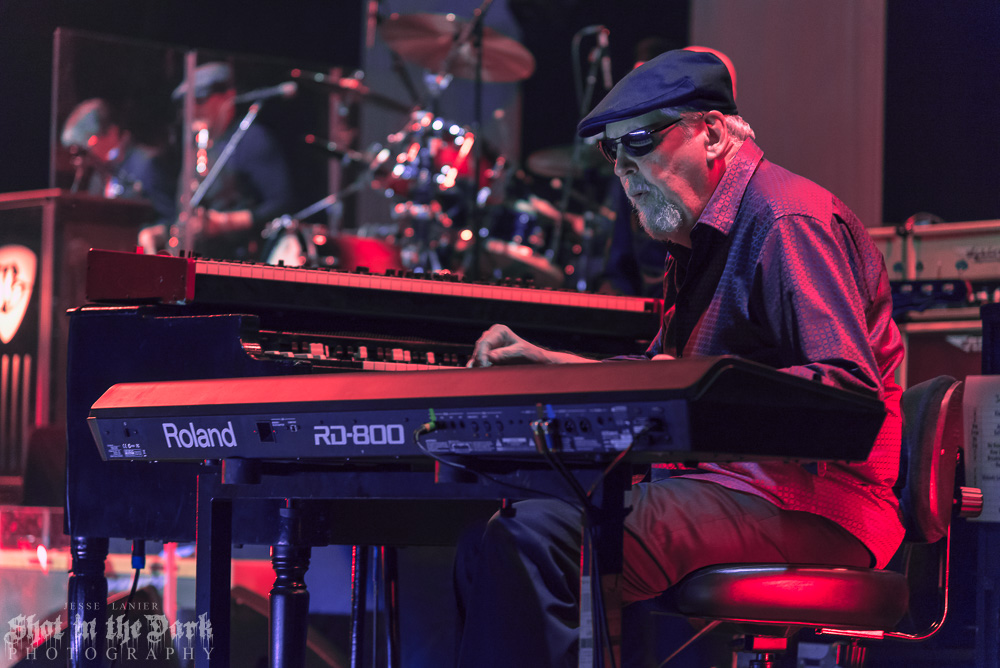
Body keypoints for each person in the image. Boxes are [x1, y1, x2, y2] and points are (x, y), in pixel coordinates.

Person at [455, 49, 904, 667]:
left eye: (639, 141)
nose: (625, 170)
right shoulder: (698, 240)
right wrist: (548, 366)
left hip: (816, 502)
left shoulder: (785, 218)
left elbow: (849, 393)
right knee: (493, 540)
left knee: (540, 538)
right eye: (614, 153)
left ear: (713, 132)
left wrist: (706, 395)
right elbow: (667, 383)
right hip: (735, 489)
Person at [138, 61, 294, 260]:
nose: (193, 108)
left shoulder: (251, 140)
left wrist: (224, 223)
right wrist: (162, 231)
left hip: (239, 262)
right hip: (196, 260)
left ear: (228, 97)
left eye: (200, 99)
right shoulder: (195, 146)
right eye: (188, 102)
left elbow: (281, 204)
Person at [61, 97, 176, 225]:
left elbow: (172, 218)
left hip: (137, 244)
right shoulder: (99, 176)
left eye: (86, 145)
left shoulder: (146, 165)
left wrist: (153, 233)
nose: (86, 154)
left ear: (111, 132)